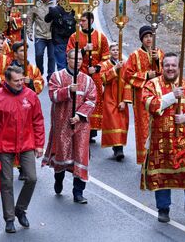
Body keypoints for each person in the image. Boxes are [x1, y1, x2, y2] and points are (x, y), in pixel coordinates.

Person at [141, 53, 185, 224]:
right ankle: (163, 209)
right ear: (162, 67)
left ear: (179, 67)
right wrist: (172, 96)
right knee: (162, 176)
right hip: (161, 142)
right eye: (167, 65)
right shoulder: (152, 84)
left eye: (174, 65)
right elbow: (149, 103)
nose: (170, 68)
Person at [0, 66, 45, 234]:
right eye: (16, 81)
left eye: (21, 80)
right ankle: (9, 219)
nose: (20, 83)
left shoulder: (30, 96)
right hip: (3, 147)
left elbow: (38, 120)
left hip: (26, 145)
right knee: (6, 182)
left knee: (31, 178)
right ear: (7, 81)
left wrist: (39, 144)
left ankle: (20, 209)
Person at [42, 49, 97, 204]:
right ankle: (58, 178)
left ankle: (78, 191)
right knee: (62, 153)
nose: (78, 61)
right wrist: (67, 90)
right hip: (62, 122)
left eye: (80, 59)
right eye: (75, 58)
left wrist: (79, 115)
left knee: (80, 154)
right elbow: (53, 95)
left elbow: (92, 99)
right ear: (68, 59)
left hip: (81, 124)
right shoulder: (57, 76)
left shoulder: (87, 80)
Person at [123, 26, 165, 164]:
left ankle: (158, 159)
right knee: (143, 128)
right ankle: (145, 160)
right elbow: (127, 75)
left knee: (159, 126)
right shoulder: (134, 55)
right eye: (146, 36)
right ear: (141, 38)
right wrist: (146, 75)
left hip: (158, 95)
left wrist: (158, 61)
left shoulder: (159, 53)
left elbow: (167, 73)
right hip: (141, 98)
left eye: (150, 36)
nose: (148, 39)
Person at [66, 11, 109, 142]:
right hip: (80, 73)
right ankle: (79, 126)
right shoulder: (75, 36)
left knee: (95, 100)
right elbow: (69, 53)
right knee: (79, 99)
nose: (81, 23)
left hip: (94, 74)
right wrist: (83, 50)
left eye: (83, 21)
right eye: (80, 21)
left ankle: (92, 130)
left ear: (91, 21)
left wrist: (97, 68)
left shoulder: (101, 37)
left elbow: (106, 56)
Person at [100, 42, 131, 161]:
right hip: (109, 97)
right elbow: (102, 78)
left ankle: (119, 147)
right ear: (109, 51)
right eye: (113, 49)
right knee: (113, 122)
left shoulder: (126, 65)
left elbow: (128, 83)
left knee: (122, 123)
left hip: (121, 97)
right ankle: (117, 148)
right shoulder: (105, 64)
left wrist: (125, 101)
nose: (115, 52)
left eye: (117, 50)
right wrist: (114, 69)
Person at [27, 0, 55, 82]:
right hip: (40, 35)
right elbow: (30, 19)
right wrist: (29, 31)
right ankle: (40, 72)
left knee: (52, 57)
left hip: (52, 35)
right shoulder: (35, 4)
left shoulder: (55, 3)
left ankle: (50, 76)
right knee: (39, 54)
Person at [45, 0, 76, 71]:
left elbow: (46, 19)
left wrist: (56, 5)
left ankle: (63, 82)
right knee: (72, 63)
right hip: (72, 40)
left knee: (61, 64)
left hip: (58, 40)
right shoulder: (74, 9)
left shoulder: (54, 10)